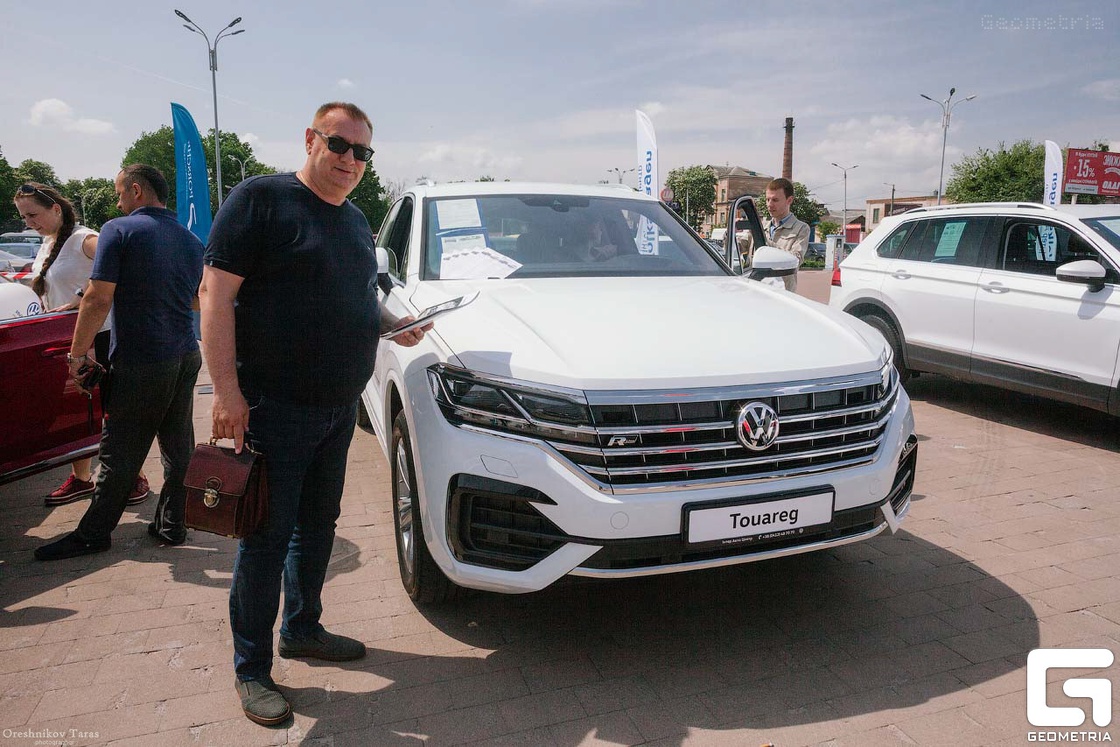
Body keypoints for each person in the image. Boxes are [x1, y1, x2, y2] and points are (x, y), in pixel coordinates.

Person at [200, 101, 428, 727]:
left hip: (336, 409)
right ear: (310, 139)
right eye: (340, 145)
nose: (351, 160)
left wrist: (395, 323)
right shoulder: (260, 201)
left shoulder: (354, 220)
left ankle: (301, 628)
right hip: (274, 409)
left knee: (317, 528)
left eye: (363, 152)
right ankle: (251, 669)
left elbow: (359, 298)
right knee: (266, 540)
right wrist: (225, 392)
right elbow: (214, 297)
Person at [34, 165, 204, 560]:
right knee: (179, 447)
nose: (117, 202)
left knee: (119, 452)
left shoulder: (119, 229)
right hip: (184, 354)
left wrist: (77, 354)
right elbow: (198, 298)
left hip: (142, 358)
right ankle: (172, 524)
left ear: (136, 190)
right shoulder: (189, 239)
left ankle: (93, 534)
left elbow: (98, 297)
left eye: (119, 193)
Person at [12, 184, 151, 507]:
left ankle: (134, 474)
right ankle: (82, 478)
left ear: (55, 209)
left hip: (101, 336)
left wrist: (80, 298)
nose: (29, 223)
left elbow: (123, 261)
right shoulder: (48, 242)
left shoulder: (84, 239)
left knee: (113, 411)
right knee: (79, 410)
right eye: (24, 217)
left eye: (33, 215)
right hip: (68, 338)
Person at [740, 178, 810, 291]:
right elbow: (739, 246)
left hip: (781, 294)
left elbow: (796, 259)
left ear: (789, 200)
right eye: (767, 199)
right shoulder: (760, 226)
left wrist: (765, 242)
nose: (770, 204)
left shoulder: (801, 228)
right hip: (754, 289)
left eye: (775, 200)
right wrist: (731, 232)